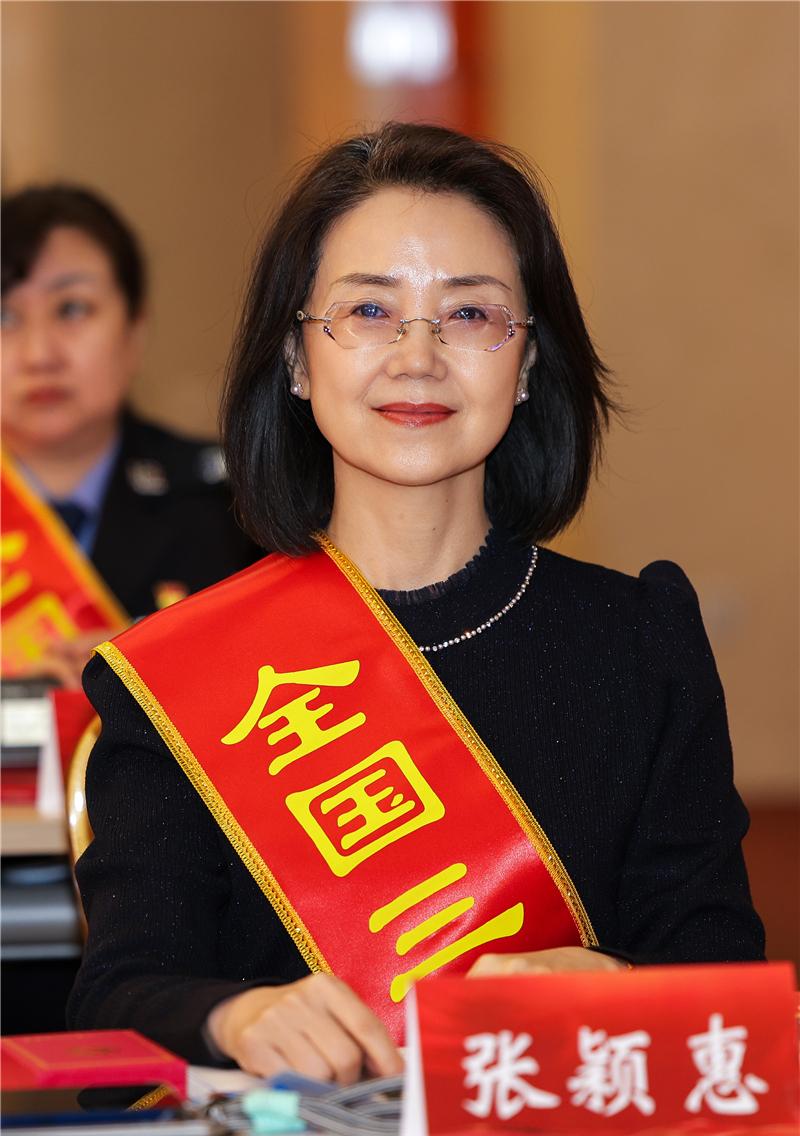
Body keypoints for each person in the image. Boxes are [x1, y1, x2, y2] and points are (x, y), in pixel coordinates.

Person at [68, 124, 764, 1083]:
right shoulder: (183, 675)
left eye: (471, 314)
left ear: (527, 363)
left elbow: (726, 992)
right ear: (298, 359)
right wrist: (236, 1016)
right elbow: (122, 992)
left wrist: (612, 982)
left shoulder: (639, 642)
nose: (418, 357)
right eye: (369, 310)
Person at [1, 185, 258, 688]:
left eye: (72, 309)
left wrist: (165, 665)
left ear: (135, 330)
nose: (39, 354)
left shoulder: (236, 506)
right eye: (6, 317)